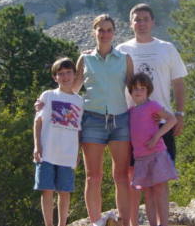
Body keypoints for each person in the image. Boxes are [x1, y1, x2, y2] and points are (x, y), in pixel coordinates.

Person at [116, 3, 188, 226]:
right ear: (130, 23)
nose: (141, 23)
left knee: (160, 179)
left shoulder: (167, 48)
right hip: (131, 125)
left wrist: (180, 113)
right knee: (133, 177)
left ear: (153, 21)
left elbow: (179, 83)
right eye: (137, 19)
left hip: (161, 122)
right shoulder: (121, 50)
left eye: (145, 18)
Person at [74, 14, 134, 226]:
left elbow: (134, 90)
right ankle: (95, 222)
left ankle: (124, 222)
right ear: (94, 32)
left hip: (120, 119)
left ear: (114, 33)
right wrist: (48, 103)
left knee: (122, 175)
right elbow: (72, 91)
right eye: (101, 30)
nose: (105, 34)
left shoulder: (125, 59)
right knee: (93, 177)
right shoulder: (85, 59)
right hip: (92, 119)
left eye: (109, 30)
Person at [33, 57, 84, 226]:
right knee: (47, 190)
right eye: (60, 74)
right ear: (55, 77)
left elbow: (78, 129)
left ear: (74, 75)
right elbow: (38, 122)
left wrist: (77, 152)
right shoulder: (47, 96)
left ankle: (63, 224)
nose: (65, 77)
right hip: (47, 151)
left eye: (68, 72)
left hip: (67, 152)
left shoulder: (79, 101)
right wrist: (36, 146)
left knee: (65, 191)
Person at [127, 73, 177, 226]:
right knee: (148, 193)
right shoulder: (130, 111)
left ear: (148, 90)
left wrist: (156, 136)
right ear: (130, 91)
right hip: (140, 159)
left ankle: (164, 223)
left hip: (157, 154)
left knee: (160, 189)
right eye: (135, 89)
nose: (138, 91)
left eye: (142, 88)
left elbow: (172, 120)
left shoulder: (153, 106)